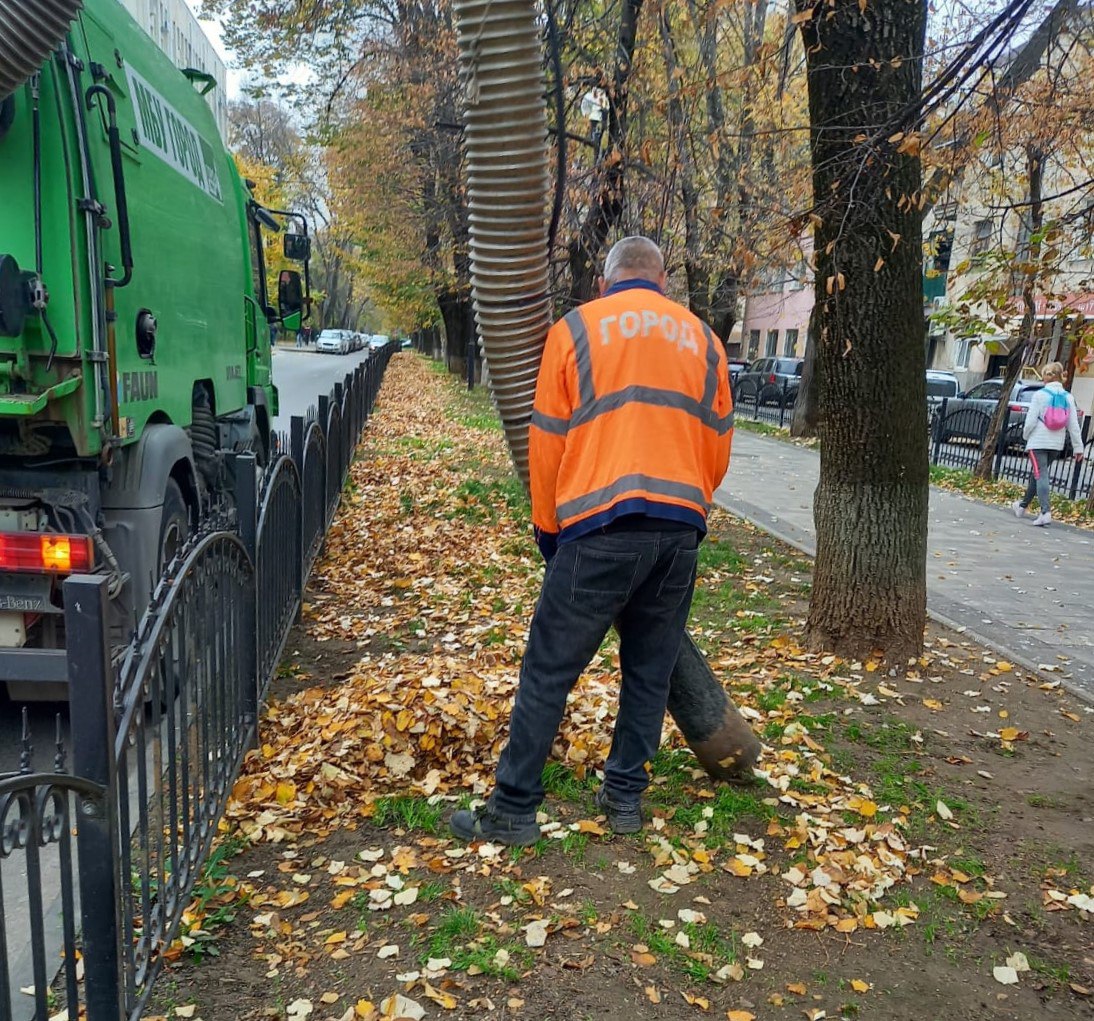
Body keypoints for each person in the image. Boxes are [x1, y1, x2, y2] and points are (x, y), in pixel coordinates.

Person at [450, 236, 733, 846]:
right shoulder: (705, 340)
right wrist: (689, 509)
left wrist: (549, 530)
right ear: (662, 280)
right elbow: (718, 445)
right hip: (679, 528)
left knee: (549, 670)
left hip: (600, 526)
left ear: (606, 282)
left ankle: (513, 808)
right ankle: (624, 798)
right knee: (649, 671)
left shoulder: (577, 329)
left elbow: (547, 440)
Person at [1012, 361, 1084, 527]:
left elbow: (1030, 421)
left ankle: (1045, 512)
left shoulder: (1040, 395)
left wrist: (1025, 435)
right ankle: (1022, 507)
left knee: (1041, 474)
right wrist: (1078, 448)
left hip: (1038, 442)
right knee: (1038, 474)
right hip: (1056, 444)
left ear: (1046, 376)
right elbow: (1073, 425)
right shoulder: (1068, 397)